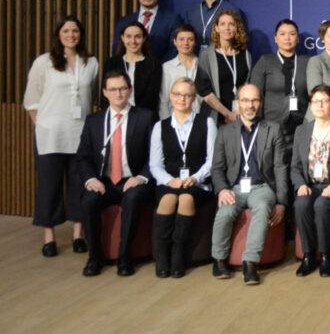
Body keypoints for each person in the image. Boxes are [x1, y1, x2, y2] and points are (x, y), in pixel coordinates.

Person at [24, 15, 98, 257]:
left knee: (79, 184)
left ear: (81, 34)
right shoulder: (43, 62)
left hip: (80, 134)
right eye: (66, 31)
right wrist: (41, 127)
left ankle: (78, 235)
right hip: (50, 135)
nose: (71, 35)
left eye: (75, 31)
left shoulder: (91, 62)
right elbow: (31, 100)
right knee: (49, 186)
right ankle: (49, 238)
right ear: (58, 34)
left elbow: (91, 96)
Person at [76, 69, 158, 276]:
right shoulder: (93, 121)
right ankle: (95, 257)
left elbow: (156, 155)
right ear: (105, 92)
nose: (118, 94)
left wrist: (141, 177)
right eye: (113, 90)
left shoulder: (146, 117)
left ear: (130, 90)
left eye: (122, 88)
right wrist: (91, 179)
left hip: (134, 180)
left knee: (133, 197)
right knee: (89, 200)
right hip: (103, 181)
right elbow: (83, 156)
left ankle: (125, 257)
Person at [209, 84, 288, 285]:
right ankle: (219, 259)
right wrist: (222, 189)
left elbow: (280, 167)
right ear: (238, 103)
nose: (250, 105)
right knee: (225, 211)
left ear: (261, 103)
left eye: (254, 100)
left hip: (262, 187)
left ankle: (250, 263)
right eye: (245, 100)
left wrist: (281, 202)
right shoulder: (225, 131)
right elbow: (217, 168)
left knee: (262, 206)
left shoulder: (273, 129)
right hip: (234, 188)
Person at [148, 77, 218, 278]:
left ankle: (178, 253)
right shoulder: (160, 127)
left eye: (187, 95)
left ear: (194, 98)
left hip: (198, 183)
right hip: (169, 182)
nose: (182, 99)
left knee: (186, 198)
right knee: (169, 198)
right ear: (171, 96)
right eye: (178, 94)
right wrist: (169, 180)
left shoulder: (207, 123)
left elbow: (212, 160)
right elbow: (155, 164)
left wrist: (195, 178)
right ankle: (163, 253)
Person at [291, 85, 330, 278]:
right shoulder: (302, 131)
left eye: (325, 101)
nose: (320, 105)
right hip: (310, 185)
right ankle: (308, 256)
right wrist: (300, 185)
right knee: (301, 204)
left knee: (321, 204)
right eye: (316, 101)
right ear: (310, 105)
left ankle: (326, 257)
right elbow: (295, 166)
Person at [251, 19, 310, 155]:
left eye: (292, 34)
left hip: (301, 126)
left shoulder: (307, 62)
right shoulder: (265, 61)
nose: (287, 38)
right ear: (275, 38)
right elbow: (255, 95)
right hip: (271, 125)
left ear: (297, 39)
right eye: (282, 34)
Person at [196, 10, 252, 125]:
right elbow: (204, 90)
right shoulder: (206, 55)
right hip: (214, 115)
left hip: (239, 115)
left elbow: (247, 84)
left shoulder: (246, 55)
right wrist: (227, 114)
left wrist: (238, 112)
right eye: (223, 24)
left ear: (237, 28)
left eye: (231, 24)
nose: (227, 28)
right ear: (216, 28)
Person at [111, 0, 183, 61]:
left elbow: (175, 49)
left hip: (161, 67)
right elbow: (117, 49)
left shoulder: (172, 20)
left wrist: (156, 67)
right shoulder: (124, 21)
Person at [102, 22, 161, 113]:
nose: (133, 41)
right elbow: (105, 97)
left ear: (144, 38)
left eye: (138, 37)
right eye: (128, 36)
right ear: (122, 38)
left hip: (143, 116)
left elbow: (152, 98)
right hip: (115, 115)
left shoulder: (153, 64)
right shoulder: (111, 63)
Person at [158, 24, 202, 119]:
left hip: (199, 120)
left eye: (190, 39)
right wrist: (166, 124)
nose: (185, 43)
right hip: (174, 121)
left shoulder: (203, 65)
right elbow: (163, 101)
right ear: (175, 42)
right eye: (181, 39)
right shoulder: (167, 68)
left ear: (195, 42)